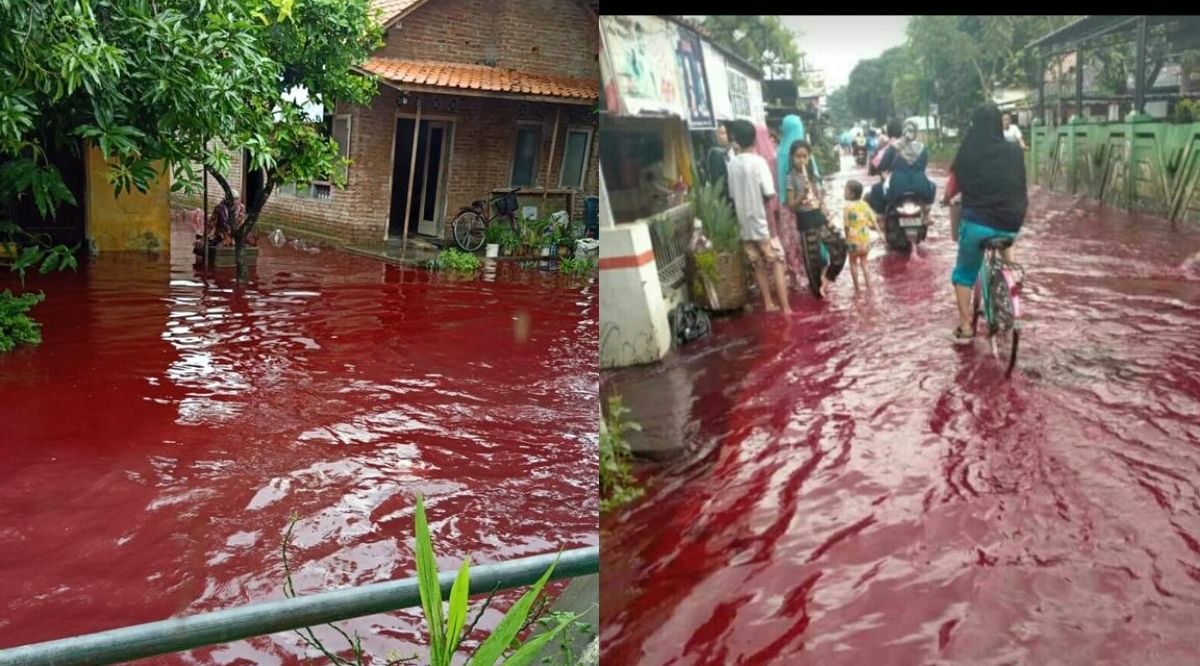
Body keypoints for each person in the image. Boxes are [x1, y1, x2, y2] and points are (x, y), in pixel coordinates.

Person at [946, 104, 1028, 343]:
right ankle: (1010, 273)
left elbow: (952, 187)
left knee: (963, 273)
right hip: (1012, 222)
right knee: (1004, 239)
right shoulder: (1014, 151)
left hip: (977, 224)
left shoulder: (967, 151)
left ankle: (965, 327)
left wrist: (946, 199)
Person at [727, 119, 791, 314]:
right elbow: (770, 193)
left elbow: (731, 195)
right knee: (777, 261)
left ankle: (768, 303)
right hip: (763, 222)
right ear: (755, 139)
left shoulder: (732, 164)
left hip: (743, 223)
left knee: (757, 264)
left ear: (735, 139)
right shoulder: (759, 162)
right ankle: (786, 308)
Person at [786, 139, 842, 297]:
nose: (801, 160)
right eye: (798, 156)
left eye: (804, 156)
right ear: (792, 157)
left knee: (840, 246)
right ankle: (818, 294)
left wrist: (825, 209)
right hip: (805, 220)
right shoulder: (790, 177)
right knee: (812, 265)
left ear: (809, 157)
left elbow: (818, 196)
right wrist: (802, 195)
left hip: (818, 216)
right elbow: (791, 206)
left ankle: (828, 277)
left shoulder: (811, 174)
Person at [879, 120, 937, 223]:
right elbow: (923, 166)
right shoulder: (922, 148)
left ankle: (883, 219)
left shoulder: (894, 147)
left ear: (903, 131)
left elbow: (883, 165)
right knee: (933, 185)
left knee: (882, 190)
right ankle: (927, 215)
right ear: (916, 132)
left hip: (897, 185)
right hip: (920, 185)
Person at [843, 179, 882, 292]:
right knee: (864, 263)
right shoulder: (865, 204)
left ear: (852, 194)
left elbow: (846, 226)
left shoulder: (847, 207)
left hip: (853, 240)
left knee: (853, 263)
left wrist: (846, 239)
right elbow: (874, 221)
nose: (844, 192)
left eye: (846, 190)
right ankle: (869, 286)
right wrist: (880, 234)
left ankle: (857, 289)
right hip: (865, 239)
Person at [706, 122, 733, 200]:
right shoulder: (716, 153)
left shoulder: (725, 151)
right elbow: (718, 180)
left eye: (725, 133)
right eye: (721, 133)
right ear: (714, 136)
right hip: (724, 197)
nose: (725, 136)